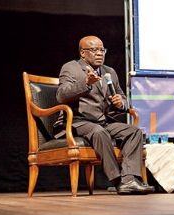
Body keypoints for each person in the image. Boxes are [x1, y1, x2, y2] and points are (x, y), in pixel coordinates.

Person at [54, 35, 154, 195]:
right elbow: (61, 96)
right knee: (99, 132)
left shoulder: (110, 72)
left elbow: (124, 98)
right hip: (77, 121)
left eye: (102, 50)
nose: (100, 53)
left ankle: (130, 180)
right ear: (83, 53)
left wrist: (120, 103)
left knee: (134, 132)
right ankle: (117, 181)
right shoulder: (71, 68)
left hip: (102, 121)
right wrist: (86, 83)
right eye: (94, 50)